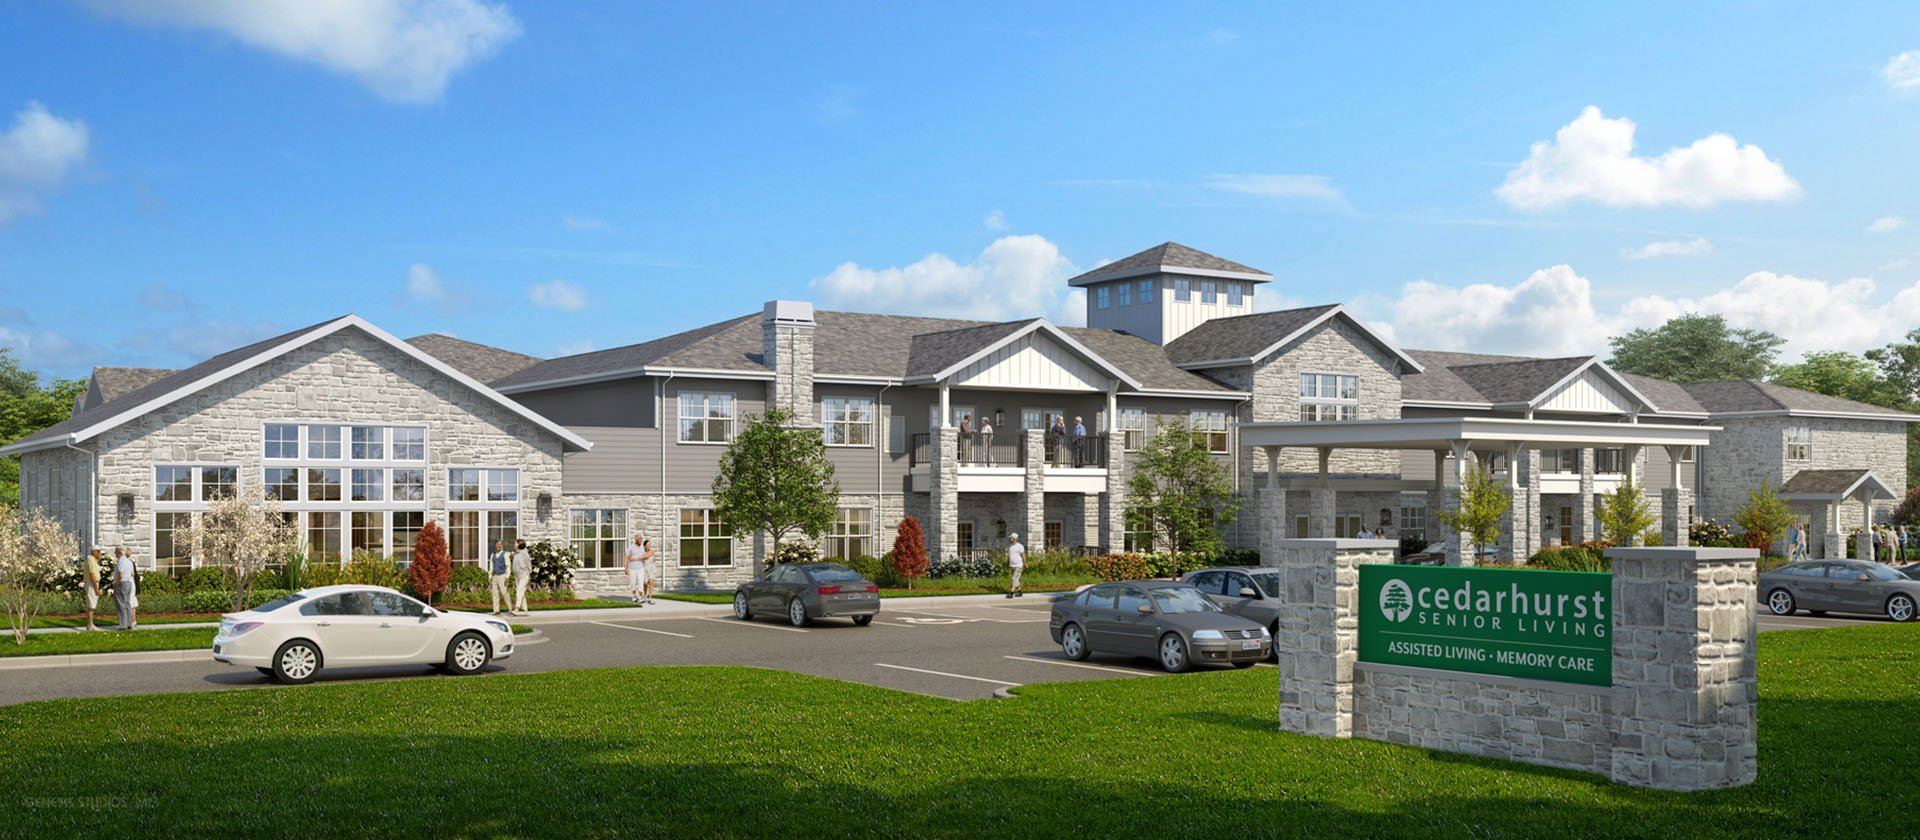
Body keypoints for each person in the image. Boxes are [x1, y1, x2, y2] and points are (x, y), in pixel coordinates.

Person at [113, 547, 137, 631]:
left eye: (115, 552)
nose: (115, 554)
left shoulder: (121, 561)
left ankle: (123, 625)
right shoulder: (129, 561)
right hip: (129, 583)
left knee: (121, 604)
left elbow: (120, 573)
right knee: (127, 604)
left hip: (122, 582)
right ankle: (129, 623)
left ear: (119, 552)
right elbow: (132, 573)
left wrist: (118, 583)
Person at [625, 534, 653, 606]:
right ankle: (634, 596)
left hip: (640, 568)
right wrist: (625, 568)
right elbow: (626, 557)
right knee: (633, 583)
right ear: (635, 539)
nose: (641, 540)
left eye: (641, 538)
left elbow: (646, 554)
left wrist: (652, 556)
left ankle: (640, 597)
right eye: (639, 539)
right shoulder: (631, 547)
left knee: (641, 583)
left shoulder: (642, 547)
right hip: (632, 568)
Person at [81, 548, 103, 631]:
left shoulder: (92, 560)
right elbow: (92, 574)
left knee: (92, 603)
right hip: (91, 584)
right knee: (91, 604)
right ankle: (90, 624)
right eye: (99, 552)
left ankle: (90, 624)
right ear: (95, 552)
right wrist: (96, 588)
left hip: (92, 583)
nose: (100, 554)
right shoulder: (91, 560)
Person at [487, 540, 511, 616]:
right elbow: (491, 566)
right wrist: (490, 576)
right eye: (497, 544)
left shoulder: (505, 554)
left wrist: (507, 576)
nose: (499, 546)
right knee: (495, 594)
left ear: (502, 546)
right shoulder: (492, 555)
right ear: (495, 546)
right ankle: (496, 610)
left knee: (504, 593)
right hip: (495, 576)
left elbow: (508, 566)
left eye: (500, 544)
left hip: (502, 575)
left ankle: (511, 609)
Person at [510, 539, 533, 616]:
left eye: (515, 543)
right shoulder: (517, 554)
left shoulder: (525, 554)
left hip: (524, 576)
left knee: (519, 591)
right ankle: (525, 610)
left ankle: (517, 609)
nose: (514, 544)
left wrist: (529, 575)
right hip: (517, 576)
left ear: (519, 544)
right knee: (521, 592)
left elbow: (529, 566)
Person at [1004, 533, 1026, 598]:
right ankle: (1019, 592)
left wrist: (1025, 563)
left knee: (1014, 578)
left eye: (1011, 538)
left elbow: (1023, 555)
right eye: (1010, 538)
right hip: (1012, 565)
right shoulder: (1010, 546)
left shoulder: (1020, 546)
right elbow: (1009, 556)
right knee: (1017, 579)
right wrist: (1007, 563)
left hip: (1018, 565)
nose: (1010, 539)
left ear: (1015, 539)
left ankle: (1011, 592)